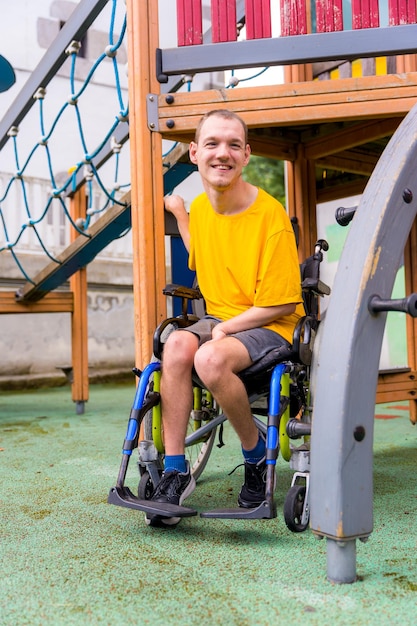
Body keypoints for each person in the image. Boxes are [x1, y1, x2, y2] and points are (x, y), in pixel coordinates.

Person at [148, 109, 304, 525]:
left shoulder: (270, 216)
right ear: (194, 153)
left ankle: (254, 456)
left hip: (270, 325)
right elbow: (198, 250)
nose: (223, 153)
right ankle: (175, 471)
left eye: (234, 144)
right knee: (176, 344)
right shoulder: (201, 207)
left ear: (247, 154)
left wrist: (223, 331)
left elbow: (282, 304)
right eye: (213, 144)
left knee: (209, 358)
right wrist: (179, 212)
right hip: (221, 318)